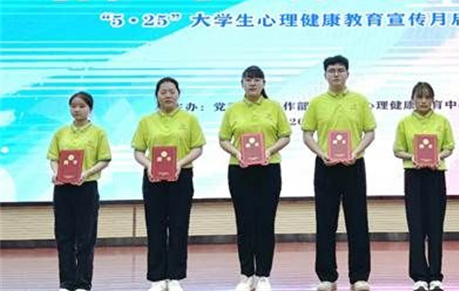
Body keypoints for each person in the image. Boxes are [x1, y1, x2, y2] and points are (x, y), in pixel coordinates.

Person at [301, 55, 376, 291]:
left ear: (347, 74)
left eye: (340, 70)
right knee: (325, 222)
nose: (336, 74)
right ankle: (327, 277)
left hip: (354, 166)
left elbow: (370, 132)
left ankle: (359, 277)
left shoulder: (359, 101)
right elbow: (307, 134)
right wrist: (321, 153)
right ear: (325, 75)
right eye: (331, 70)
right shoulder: (317, 103)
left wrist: (356, 151)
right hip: (326, 167)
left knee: (358, 221)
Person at [219, 66, 291, 291]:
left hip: (269, 169)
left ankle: (263, 276)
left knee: (265, 222)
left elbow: (285, 135)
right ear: (242, 83)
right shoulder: (233, 109)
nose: (253, 83)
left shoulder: (274, 107)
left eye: (257, 79)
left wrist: (269, 150)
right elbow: (223, 139)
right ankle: (246, 275)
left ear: (264, 83)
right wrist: (237, 152)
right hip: (239, 169)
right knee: (244, 222)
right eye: (248, 79)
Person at [132, 77, 206, 291]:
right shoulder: (146, 121)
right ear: (156, 96)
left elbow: (197, 148)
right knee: (155, 227)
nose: (168, 95)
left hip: (181, 177)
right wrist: (149, 165)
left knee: (178, 226)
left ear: (178, 94)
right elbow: (138, 151)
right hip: (153, 178)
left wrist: (179, 163)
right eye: (163, 92)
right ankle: (157, 278)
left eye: (172, 91)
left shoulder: (189, 119)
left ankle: (174, 277)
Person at [47, 91, 112, 291]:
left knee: (86, 238)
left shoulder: (99, 133)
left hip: (86, 188)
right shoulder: (60, 133)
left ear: (90, 109)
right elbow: (54, 158)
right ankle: (66, 283)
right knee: (64, 236)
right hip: (63, 190)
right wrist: (57, 173)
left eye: (82, 106)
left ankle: (83, 283)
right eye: (73, 106)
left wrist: (86, 173)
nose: (77, 110)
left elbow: (104, 159)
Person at [393, 82, 454, 291]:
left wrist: (438, 156)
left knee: (435, 227)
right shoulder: (404, 123)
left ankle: (435, 276)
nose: (423, 101)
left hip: (436, 175)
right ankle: (419, 276)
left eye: (427, 97)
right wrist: (413, 157)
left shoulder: (442, 121)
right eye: (419, 97)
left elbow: (449, 147)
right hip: (414, 176)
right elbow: (397, 150)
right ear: (412, 100)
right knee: (416, 227)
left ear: (433, 100)